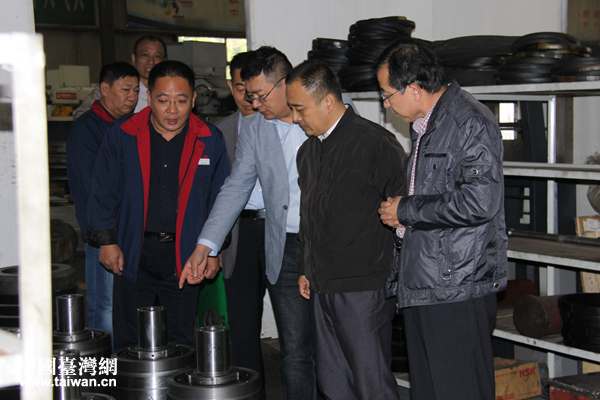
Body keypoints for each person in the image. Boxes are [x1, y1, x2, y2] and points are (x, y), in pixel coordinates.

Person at [181, 46, 318, 400]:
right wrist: (206, 245)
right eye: (249, 95)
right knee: (295, 349)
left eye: (260, 95)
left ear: (284, 83)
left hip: (326, 243)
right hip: (284, 246)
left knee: (332, 342)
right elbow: (236, 186)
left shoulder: (321, 114)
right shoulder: (256, 127)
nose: (254, 104)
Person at [376, 39, 508, 400]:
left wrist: (407, 210)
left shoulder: (469, 122)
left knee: (459, 389)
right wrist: (403, 218)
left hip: (457, 286)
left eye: (387, 95)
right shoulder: (427, 125)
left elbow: (480, 201)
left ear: (414, 90)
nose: (386, 104)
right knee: (430, 389)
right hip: (427, 282)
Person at [287, 59, 407, 400]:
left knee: (371, 384)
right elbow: (309, 214)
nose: (294, 118)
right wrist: (306, 266)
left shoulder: (375, 143)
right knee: (333, 382)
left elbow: (404, 212)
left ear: (327, 101)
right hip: (321, 285)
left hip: (362, 289)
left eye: (299, 108)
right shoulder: (309, 151)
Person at [87, 60, 228, 350]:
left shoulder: (209, 139)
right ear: (149, 97)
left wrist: (214, 251)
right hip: (133, 252)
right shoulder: (124, 133)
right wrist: (107, 242)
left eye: (181, 101)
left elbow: (220, 199)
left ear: (194, 99)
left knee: (180, 341)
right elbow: (104, 189)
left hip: (186, 255)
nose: (172, 110)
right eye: (163, 100)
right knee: (129, 341)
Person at [66, 61, 139, 345]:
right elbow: (92, 190)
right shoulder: (87, 130)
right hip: (104, 236)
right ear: (105, 89)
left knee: (127, 306)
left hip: (131, 232)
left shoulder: (131, 127)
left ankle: (125, 362)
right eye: (125, 90)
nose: (131, 97)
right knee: (104, 306)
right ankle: (106, 366)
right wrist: (107, 236)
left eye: (135, 90)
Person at [213, 50, 271, 399]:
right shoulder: (219, 133)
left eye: (254, 90)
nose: (249, 98)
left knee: (296, 331)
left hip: (280, 233)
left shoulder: (287, 125)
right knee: (244, 330)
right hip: (239, 236)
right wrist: (214, 246)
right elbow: (215, 194)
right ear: (230, 86)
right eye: (239, 89)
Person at [73, 35, 167, 120]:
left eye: (157, 56)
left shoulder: (170, 90)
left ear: (164, 61)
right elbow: (80, 115)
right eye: (145, 55)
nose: (151, 61)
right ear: (134, 58)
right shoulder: (112, 87)